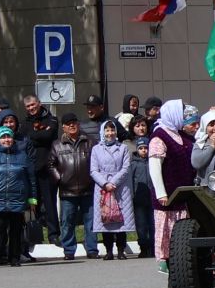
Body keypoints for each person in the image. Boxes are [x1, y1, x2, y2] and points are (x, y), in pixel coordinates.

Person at [146, 99, 200, 274]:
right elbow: (154, 166)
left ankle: (179, 260)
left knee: (180, 229)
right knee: (165, 229)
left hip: (183, 193)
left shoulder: (180, 134)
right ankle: (164, 260)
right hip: (168, 194)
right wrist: (161, 192)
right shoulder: (159, 136)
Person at [0, 121, 35, 267]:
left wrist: (32, 198)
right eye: (3, 137)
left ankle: (14, 257)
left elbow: (31, 179)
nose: (6, 140)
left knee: (16, 230)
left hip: (18, 198)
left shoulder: (22, 156)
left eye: (8, 137)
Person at [50, 114, 96, 260]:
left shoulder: (91, 142)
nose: (72, 125)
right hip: (67, 192)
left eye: (74, 122)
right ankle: (69, 251)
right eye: (68, 123)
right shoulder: (57, 145)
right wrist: (60, 179)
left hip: (88, 188)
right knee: (67, 222)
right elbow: (51, 165)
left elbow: (97, 162)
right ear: (63, 127)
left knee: (91, 222)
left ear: (78, 124)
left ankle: (92, 249)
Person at [89, 119, 136, 259]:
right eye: (107, 130)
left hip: (120, 187)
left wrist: (113, 182)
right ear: (103, 132)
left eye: (112, 130)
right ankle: (108, 250)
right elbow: (93, 170)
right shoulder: (96, 149)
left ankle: (121, 250)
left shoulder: (123, 148)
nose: (110, 133)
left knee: (120, 219)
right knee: (106, 219)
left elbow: (126, 167)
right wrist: (105, 183)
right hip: (102, 187)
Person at [22, 94, 60, 246]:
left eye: (33, 104)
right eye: (28, 106)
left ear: (39, 103)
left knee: (50, 203)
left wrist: (34, 136)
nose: (31, 108)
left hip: (47, 168)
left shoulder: (51, 119)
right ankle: (35, 236)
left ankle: (53, 235)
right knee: (32, 204)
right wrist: (39, 135)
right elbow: (26, 138)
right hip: (31, 169)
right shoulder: (24, 123)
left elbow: (49, 135)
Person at [127, 117, 156, 260]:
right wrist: (131, 196)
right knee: (141, 225)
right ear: (137, 149)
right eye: (141, 148)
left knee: (153, 224)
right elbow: (130, 181)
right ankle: (143, 247)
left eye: (146, 148)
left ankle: (153, 247)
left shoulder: (153, 162)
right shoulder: (133, 163)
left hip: (152, 198)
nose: (144, 151)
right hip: (138, 199)